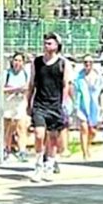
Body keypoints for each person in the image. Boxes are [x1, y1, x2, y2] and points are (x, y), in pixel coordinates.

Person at [27, 32, 72, 182]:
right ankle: (38, 164)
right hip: (40, 104)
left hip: (55, 104)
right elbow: (32, 83)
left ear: (57, 45)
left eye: (50, 43)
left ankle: (50, 164)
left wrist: (64, 103)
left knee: (53, 138)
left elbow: (66, 85)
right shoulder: (37, 62)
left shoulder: (63, 63)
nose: (47, 46)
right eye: (45, 43)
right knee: (39, 134)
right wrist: (29, 102)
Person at [75, 55, 103, 160]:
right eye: (85, 62)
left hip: (95, 106)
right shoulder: (79, 77)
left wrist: (102, 106)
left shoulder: (98, 77)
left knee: (92, 131)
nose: (87, 64)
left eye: (90, 62)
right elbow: (76, 92)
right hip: (82, 106)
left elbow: (101, 93)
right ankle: (85, 153)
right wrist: (76, 106)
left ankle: (87, 146)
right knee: (84, 129)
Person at [3, 52, 30, 160]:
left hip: (20, 102)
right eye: (15, 60)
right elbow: (2, 88)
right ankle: (6, 149)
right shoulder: (7, 73)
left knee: (21, 127)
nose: (17, 63)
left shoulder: (25, 74)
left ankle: (22, 150)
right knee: (8, 127)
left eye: (20, 61)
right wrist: (16, 89)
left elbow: (28, 88)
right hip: (8, 102)